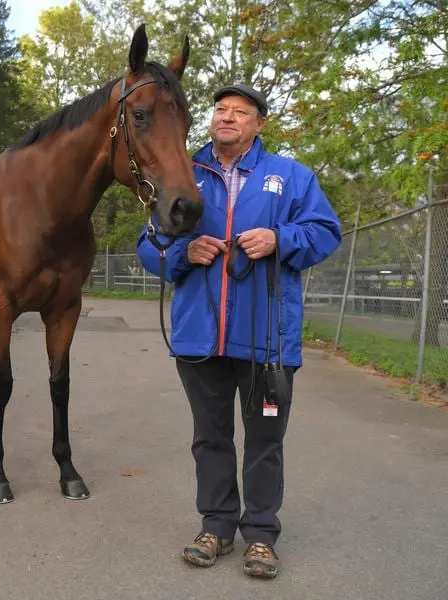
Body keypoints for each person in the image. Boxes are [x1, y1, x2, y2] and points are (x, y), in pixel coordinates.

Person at [136, 83, 342, 579]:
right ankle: (217, 527)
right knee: (210, 438)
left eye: (240, 112)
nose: (227, 117)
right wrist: (185, 253)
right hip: (198, 336)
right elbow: (149, 245)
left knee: (265, 440)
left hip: (267, 338)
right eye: (221, 110)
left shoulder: (290, 177)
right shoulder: (182, 172)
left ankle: (262, 537)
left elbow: (325, 232)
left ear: (259, 124)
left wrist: (280, 237)